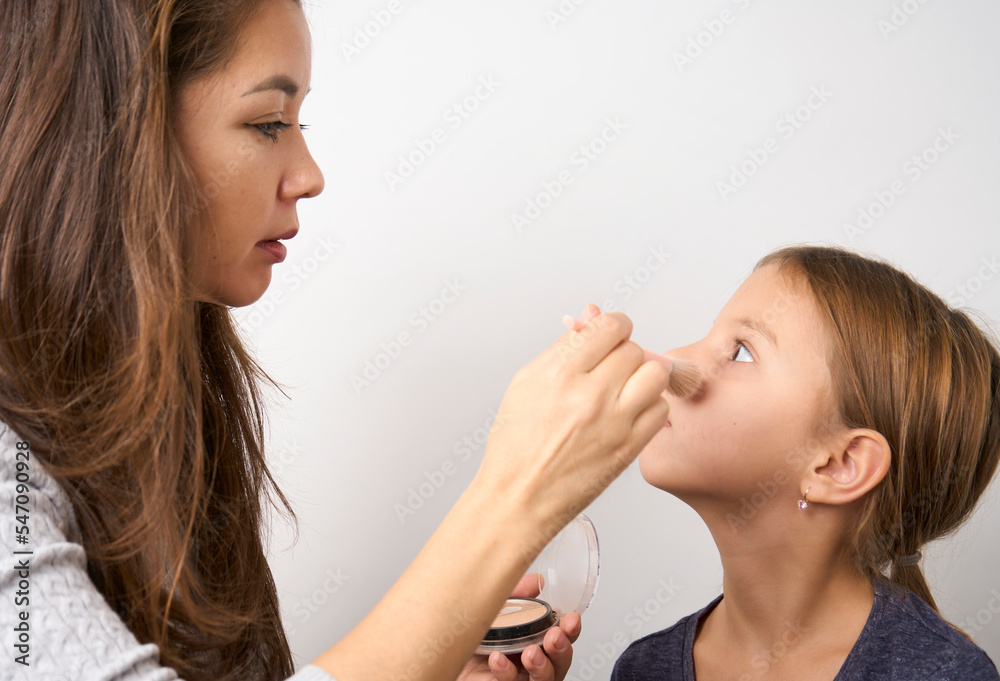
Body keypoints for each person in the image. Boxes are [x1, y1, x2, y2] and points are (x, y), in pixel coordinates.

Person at [0, 1, 676, 680]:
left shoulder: (164, 410)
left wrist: (428, 661)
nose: (309, 175)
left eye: (299, 124)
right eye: (267, 123)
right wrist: (512, 501)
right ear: (117, 133)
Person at [606, 245, 1000, 680]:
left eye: (741, 351)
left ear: (839, 465)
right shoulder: (644, 669)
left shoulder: (945, 674)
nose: (666, 360)